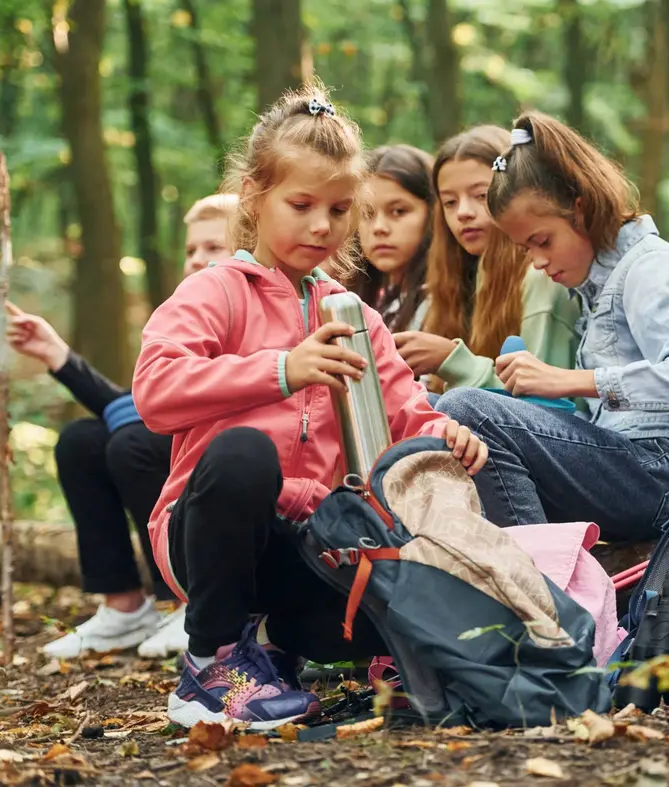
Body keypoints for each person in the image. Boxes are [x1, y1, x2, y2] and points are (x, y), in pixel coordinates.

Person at [132, 86, 488, 730]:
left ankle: (272, 653)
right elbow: (154, 394)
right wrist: (281, 369)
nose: (322, 226)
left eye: (339, 209)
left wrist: (447, 434)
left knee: (390, 633)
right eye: (300, 205)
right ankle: (210, 663)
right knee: (244, 454)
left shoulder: (352, 315)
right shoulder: (215, 293)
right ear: (253, 197)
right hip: (210, 537)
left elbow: (405, 411)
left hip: (310, 544)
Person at [435, 112, 669, 542]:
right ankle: (534, 577)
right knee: (440, 414)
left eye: (542, 241)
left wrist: (568, 380)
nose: (536, 261)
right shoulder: (596, 287)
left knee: (467, 410)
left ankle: (540, 587)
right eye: (524, 248)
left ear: (581, 207)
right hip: (636, 464)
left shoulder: (650, 268)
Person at [6, 193, 238, 660]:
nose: (195, 260)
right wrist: (60, 358)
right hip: (195, 451)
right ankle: (126, 606)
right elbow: (144, 408)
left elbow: (152, 418)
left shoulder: (251, 309)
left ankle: (195, 604)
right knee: (82, 442)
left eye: (212, 248)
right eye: (191, 250)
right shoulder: (193, 316)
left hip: (244, 462)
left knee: (133, 442)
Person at [392, 125, 579, 391]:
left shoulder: (543, 275)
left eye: (481, 195)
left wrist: (451, 360)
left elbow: (545, 408)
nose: (463, 213)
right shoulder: (459, 280)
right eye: (450, 202)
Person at [352, 145, 434, 332]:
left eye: (398, 211)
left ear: (433, 214)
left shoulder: (445, 307)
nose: (379, 228)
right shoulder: (366, 302)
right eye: (367, 214)